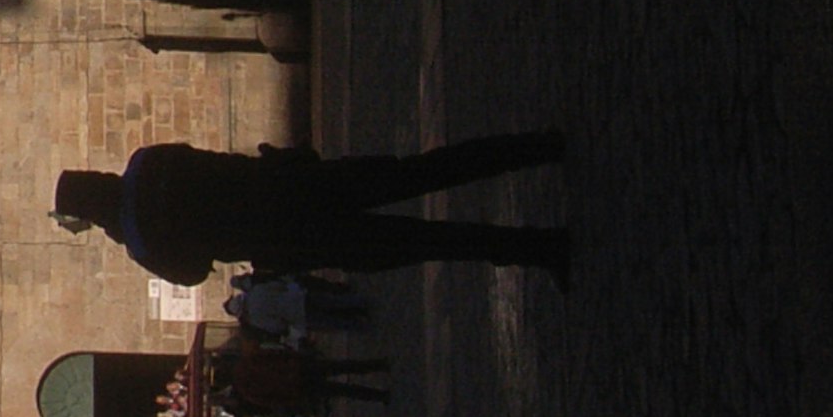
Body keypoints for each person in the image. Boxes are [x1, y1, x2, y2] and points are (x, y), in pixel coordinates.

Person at [52, 131, 572, 286]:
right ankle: (531, 148)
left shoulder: (142, 242)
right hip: (296, 182)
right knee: (421, 171)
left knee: (425, 242)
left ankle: (537, 248)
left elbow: (192, 274)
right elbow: (207, 158)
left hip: (290, 239)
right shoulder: (148, 159)